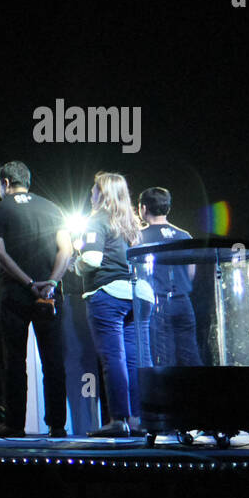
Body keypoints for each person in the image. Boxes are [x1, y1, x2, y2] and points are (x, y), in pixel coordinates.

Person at [0, 161, 73, 438]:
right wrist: (51, 283)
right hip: (50, 295)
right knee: (54, 360)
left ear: (5, 183)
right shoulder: (52, 207)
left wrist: (29, 283)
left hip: (15, 294)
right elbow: (66, 249)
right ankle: (57, 425)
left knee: (15, 360)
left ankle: (15, 425)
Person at [73, 172, 154, 436]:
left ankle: (118, 420)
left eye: (94, 188)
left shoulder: (96, 219)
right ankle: (137, 421)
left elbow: (93, 260)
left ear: (102, 193)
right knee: (133, 359)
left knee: (113, 358)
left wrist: (77, 261)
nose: (91, 193)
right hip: (138, 295)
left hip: (108, 293)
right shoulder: (131, 225)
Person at [137, 186, 200, 367]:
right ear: (168, 208)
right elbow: (191, 272)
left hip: (157, 303)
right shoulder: (185, 236)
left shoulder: (139, 238)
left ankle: (167, 393)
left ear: (143, 208)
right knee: (190, 353)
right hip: (183, 301)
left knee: (162, 356)